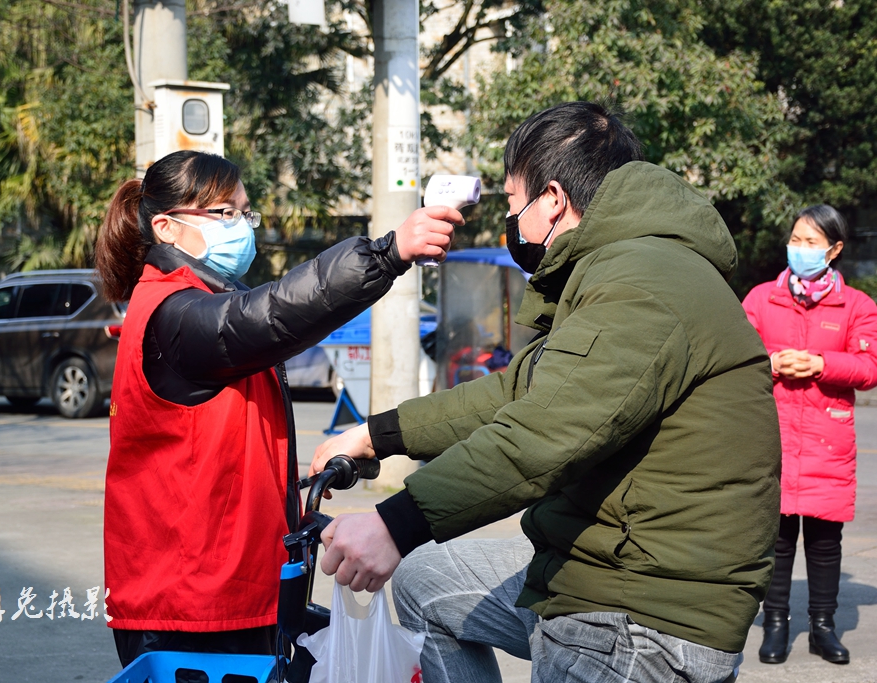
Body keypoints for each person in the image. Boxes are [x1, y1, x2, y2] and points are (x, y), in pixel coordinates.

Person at [310, 102, 782, 683]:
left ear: (553, 199)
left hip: (645, 610)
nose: (513, 222)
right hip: (602, 560)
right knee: (425, 580)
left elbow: (545, 433)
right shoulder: (618, 266)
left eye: (513, 203)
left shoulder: (643, 284)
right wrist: (376, 435)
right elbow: (517, 392)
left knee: (415, 556)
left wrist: (395, 524)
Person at [94, 150, 459, 668]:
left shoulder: (196, 301)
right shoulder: (174, 314)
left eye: (245, 213)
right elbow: (272, 313)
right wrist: (387, 254)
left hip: (228, 591)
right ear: (166, 227)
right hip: (191, 606)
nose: (242, 226)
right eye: (225, 213)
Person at [742, 204, 877, 665]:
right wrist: (771, 362)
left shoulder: (857, 306)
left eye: (811, 242)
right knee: (776, 540)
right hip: (773, 436)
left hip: (827, 441)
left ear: (834, 250)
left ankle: (823, 627)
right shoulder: (761, 299)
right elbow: (735, 357)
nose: (800, 249)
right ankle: (776, 624)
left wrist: (822, 364)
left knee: (824, 543)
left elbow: (870, 366)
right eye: (795, 240)